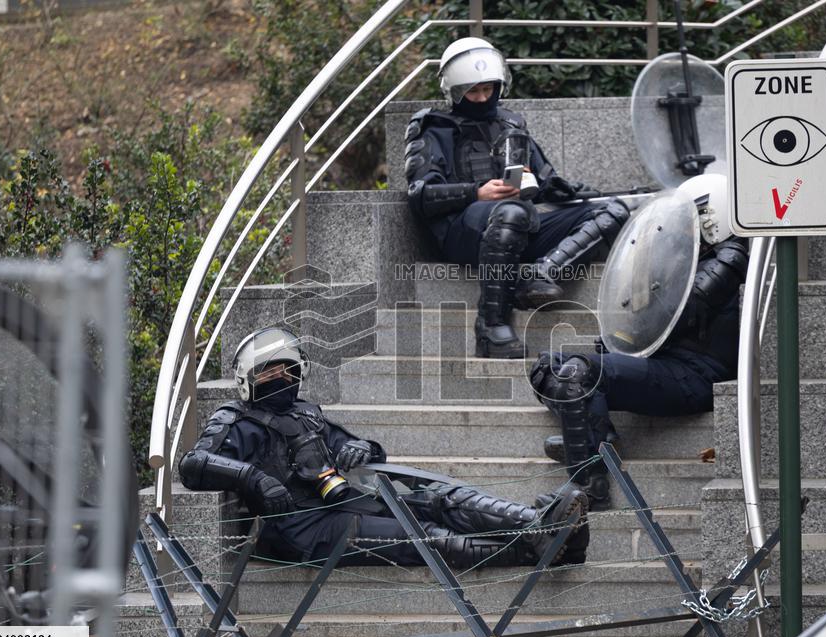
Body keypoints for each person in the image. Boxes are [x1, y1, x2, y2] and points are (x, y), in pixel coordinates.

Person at [179, 327, 590, 567]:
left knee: (442, 498)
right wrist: (252, 478)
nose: (282, 376)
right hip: (300, 531)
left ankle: (538, 525)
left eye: (287, 368)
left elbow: (361, 448)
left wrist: (362, 448)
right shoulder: (235, 419)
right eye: (271, 369)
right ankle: (538, 547)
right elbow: (192, 465)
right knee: (425, 536)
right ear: (251, 376)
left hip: (346, 502)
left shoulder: (306, 412)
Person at [529, 176, 750, 510]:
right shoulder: (691, 255)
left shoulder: (730, 257)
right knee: (548, 366)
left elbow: (677, 313)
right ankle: (597, 437)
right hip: (666, 362)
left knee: (576, 373)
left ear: (712, 216)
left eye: (690, 219)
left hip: (694, 375)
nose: (680, 229)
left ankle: (591, 487)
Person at [404, 37, 630, 358]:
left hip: (519, 226)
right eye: (473, 91)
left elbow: (548, 181)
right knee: (511, 212)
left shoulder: (511, 123)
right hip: (463, 233)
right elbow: (421, 195)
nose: (483, 98)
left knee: (612, 211)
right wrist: (476, 192)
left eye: (489, 89)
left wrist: (552, 186)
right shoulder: (434, 127)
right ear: (454, 91)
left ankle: (543, 274)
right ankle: (491, 326)